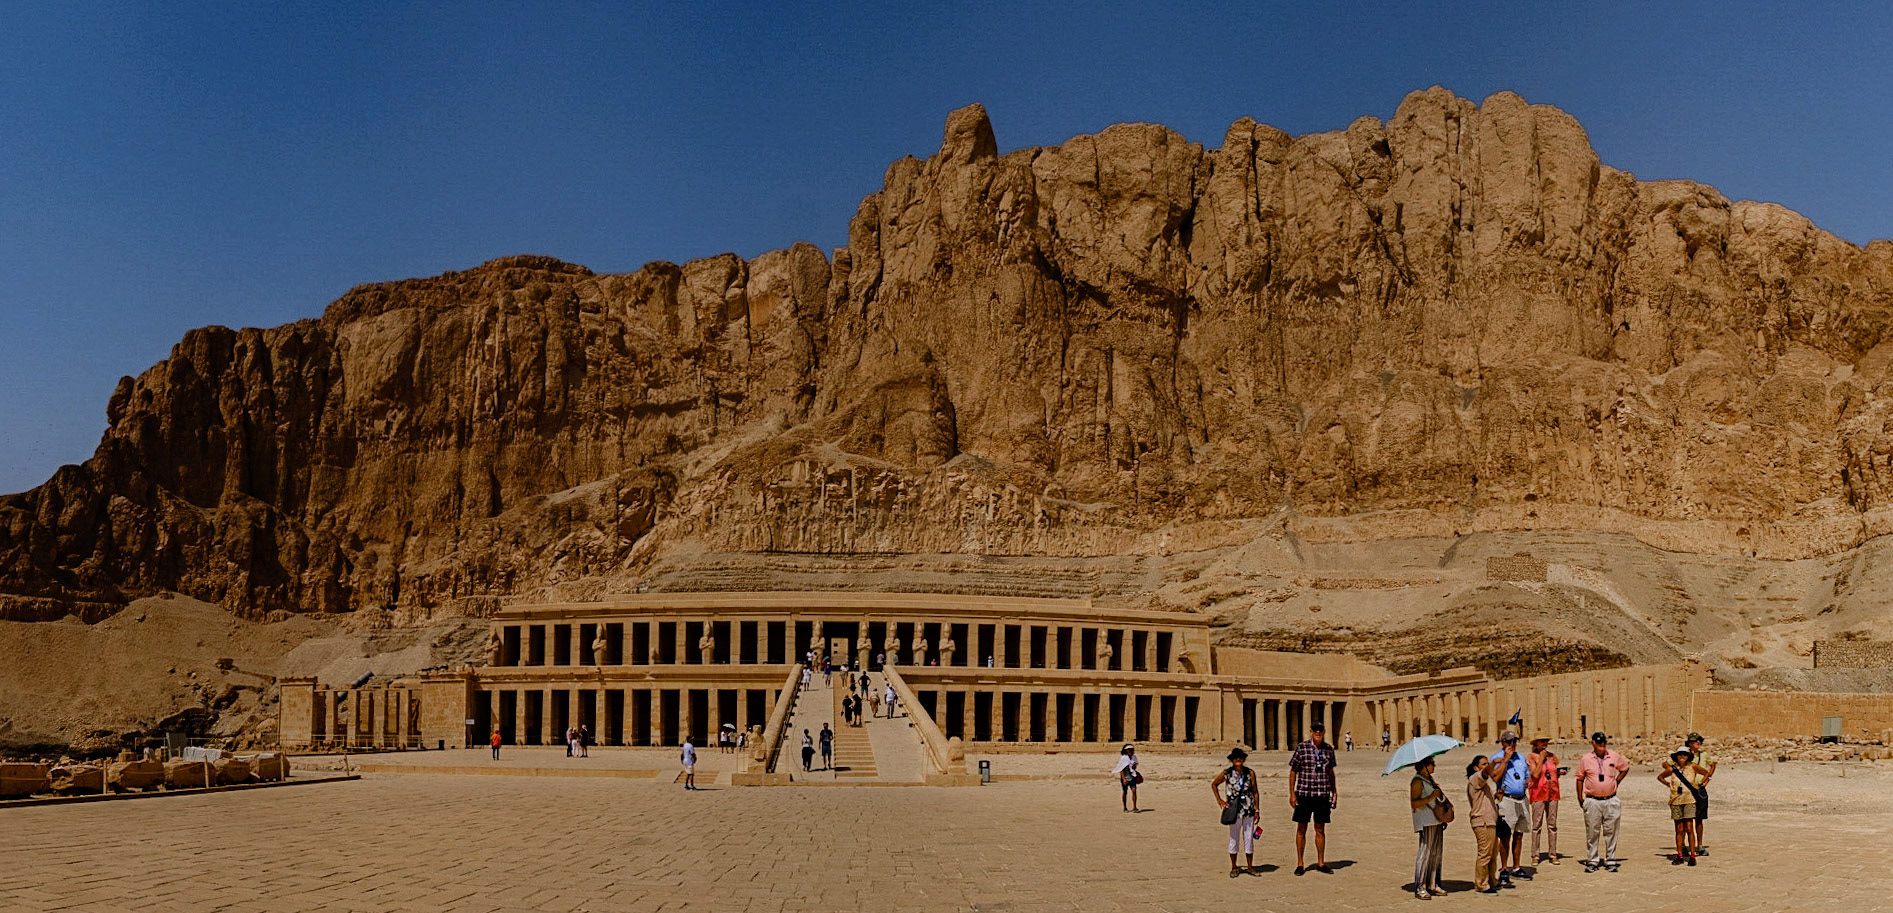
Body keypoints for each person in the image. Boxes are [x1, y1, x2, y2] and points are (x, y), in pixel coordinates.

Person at [1287, 720, 1338, 875]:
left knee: (1320, 829)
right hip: (1304, 793)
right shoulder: (1302, 748)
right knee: (1301, 828)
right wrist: (1292, 793)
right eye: (1315, 729)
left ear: (1323, 731)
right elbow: (1293, 771)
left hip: (1322, 794)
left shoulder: (1328, 749)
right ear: (1311, 731)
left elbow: (1330, 772)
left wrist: (1334, 792)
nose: (1318, 732)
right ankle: (1300, 863)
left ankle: (1321, 862)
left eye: (1320, 730)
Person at [1574, 731, 1629, 872]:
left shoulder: (1613, 756)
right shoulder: (1586, 759)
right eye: (1599, 743)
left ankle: (1610, 859)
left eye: (1604, 743)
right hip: (1593, 800)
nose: (1602, 746)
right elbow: (1579, 778)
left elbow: (1625, 768)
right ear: (1593, 743)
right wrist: (1580, 798)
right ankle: (1592, 860)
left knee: (1611, 831)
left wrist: (1616, 782)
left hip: (1610, 799)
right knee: (1592, 832)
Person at [1487, 730, 1532, 885]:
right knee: (1505, 835)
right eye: (1510, 741)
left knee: (1519, 834)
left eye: (1515, 741)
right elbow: (1494, 777)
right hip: (1506, 800)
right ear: (1503, 743)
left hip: (1522, 799)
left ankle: (1517, 866)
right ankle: (1504, 868)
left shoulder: (1521, 758)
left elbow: (1527, 775)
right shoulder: (1496, 758)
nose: (1513, 744)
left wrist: (1528, 781)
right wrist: (1505, 760)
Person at [1212, 747, 1262, 877]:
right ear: (1232, 760)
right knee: (1233, 838)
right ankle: (1234, 867)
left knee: (1248, 839)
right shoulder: (1227, 773)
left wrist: (1257, 809)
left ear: (1243, 759)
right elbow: (1214, 784)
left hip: (1248, 810)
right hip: (1234, 811)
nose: (1238, 760)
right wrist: (1220, 800)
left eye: (1240, 758)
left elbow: (1255, 792)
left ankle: (1250, 866)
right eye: (1236, 758)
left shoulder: (1250, 773)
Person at [1658, 746, 1707, 866]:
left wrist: (1700, 785)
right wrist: (1668, 784)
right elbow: (1660, 777)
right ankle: (1679, 855)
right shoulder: (1672, 769)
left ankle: (1692, 855)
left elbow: (1706, 773)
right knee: (1679, 829)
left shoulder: (1693, 767)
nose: (1682, 757)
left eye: (1684, 755)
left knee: (1689, 828)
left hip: (1689, 800)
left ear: (1688, 756)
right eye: (1680, 755)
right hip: (1675, 801)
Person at [1410, 756, 1449, 900]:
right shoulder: (1417, 781)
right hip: (1426, 822)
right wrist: (1432, 795)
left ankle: (1433, 883)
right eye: (1432, 764)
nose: (1434, 766)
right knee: (1425, 853)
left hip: (1436, 820)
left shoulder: (1429, 780)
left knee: (1436, 854)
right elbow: (1414, 804)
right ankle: (1420, 887)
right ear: (1424, 766)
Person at [1466, 756, 1501, 894]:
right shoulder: (1475, 778)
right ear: (1476, 767)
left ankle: (1492, 881)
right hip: (1482, 821)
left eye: (1487, 763)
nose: (1486, 766)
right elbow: (1486, 773)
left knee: (1492, 854)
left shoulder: (1484, 784)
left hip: (1490, 821)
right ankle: (1481, 884)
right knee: (1485, 854)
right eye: (1483, 764)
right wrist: (1494, 763)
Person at [1527, 734, 1560, 863]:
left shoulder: (1552, 757)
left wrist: (1559, 773)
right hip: (1538, 793)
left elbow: (1552, 772)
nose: (1545, 743)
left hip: (1553, 793)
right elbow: (1535, 774)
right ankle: (1535, 855)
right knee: (1537, 825)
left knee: (1552, 825)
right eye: (1542, 741)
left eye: (1546, 741)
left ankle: (1553, 854)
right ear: (1536, 743)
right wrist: (1541, 758)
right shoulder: (1531, 757)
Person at [1684, 732, 1716, 855]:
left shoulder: (1704, 755)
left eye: (1698, 741)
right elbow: (1668, 764)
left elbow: (1712, 765)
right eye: (1694, 741)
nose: (1696, 743)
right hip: (1687, 790)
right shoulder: (1684, 754)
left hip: (1700, 789)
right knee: (1686, 819)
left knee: (1699, 819)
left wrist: (1707, 780)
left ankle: (1700, 845)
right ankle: (1686, 845)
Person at [1113, 744, 1142, 812]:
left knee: (1134, 791)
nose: (1130, 751)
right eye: (1129, 750)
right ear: (1126, 751)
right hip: (1125, 777)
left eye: (1131, 750)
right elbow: (1121, 769)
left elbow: (1134, 767)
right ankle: (1125, 807)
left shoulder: (1134, 757)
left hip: (1132, 776)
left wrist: (1134, 766)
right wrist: (1124, 779)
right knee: (1125, 792)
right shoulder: (1124, 758)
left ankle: (1134, 807)